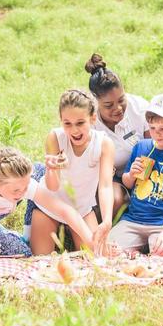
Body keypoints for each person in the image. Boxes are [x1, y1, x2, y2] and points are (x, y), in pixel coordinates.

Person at [85, 53, 163, 215]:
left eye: (121, 100)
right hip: (108, 178)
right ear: (95, 101)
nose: (118, 108)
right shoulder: (88, 122)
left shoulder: (139, 109)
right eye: (108, 105)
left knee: (159, 199)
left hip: (147, 172)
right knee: (115, 198)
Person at [0, 147, 100, 256]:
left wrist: (91, 241)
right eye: (16, 190)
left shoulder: (21, 185)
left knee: (38, 170)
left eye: (25, 187)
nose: (22, 193)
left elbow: (65, 210)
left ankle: (8, 232)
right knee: (20, 252)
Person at [25, 89, 114, 255]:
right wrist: (52, 168)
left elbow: (106, 186)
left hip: (82, 209)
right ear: (61, 121)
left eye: (80, 123)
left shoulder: (104, 144)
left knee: (95, 260)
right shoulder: (55, 138)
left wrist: (107, 220)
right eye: (67, 123)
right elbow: (52, 186)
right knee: (40, 262)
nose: (74, 130)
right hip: (50, 206)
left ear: (93, 118)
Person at [108, 94, 163, 256]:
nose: (157, 134)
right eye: (153, 128)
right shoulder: (142, 147)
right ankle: (136, 253)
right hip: (134, 219)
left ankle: (143, 253)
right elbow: (127, 184)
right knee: (108, 251)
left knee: (162, 255)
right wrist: (131, 174)